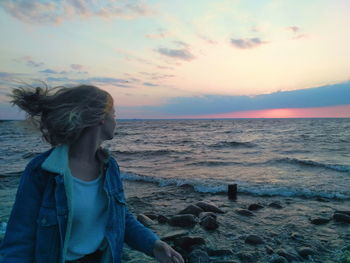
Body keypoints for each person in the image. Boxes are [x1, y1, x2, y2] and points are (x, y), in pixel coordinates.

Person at [0, 84, 184, 263]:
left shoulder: (109, 166)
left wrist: (154, 244)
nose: (116, 120)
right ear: (101, 118)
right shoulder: (42, 170)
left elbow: (120, 217)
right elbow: (20, 239)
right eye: (114, 114)